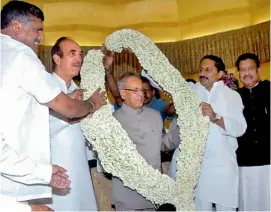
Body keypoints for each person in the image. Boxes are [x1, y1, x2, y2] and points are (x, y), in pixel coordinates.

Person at [0, 1, 106, 209]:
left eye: (80, 54)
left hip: (40, 172)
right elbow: (66, 108)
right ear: (17, 26)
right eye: (37, 30)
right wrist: (90, 104)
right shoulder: (22, 55)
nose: (41, 37)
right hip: (27, 172)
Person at [43, 37, 105, 211]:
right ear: (57, 58)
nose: (79, 58)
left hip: (80, 168)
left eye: (80, 54)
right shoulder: (45, 87)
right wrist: (76, 115)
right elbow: (40, 128)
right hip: (56, 168)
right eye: (72, 53)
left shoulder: (81, 91)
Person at [112, 72, 178, 211]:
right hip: (128, 195)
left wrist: (185, 128)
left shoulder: (154, 115)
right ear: (123, 94)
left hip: (153, 194)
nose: (141, 94)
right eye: (135, 90)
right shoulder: (113, 121)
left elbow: (162, 144)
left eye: (142, 90)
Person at [191, 55, 247, 211]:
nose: (203, 73)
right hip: (198, 166)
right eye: (201, 69)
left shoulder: (231, 96)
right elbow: (167, 84)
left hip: (223, 164)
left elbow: (239, 128)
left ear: (221, 74)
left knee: (225, 207)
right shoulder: (192, 91)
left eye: (208, 70)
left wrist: (215, 117)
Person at [235, 53, 270, 211]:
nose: (246, 73)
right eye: (242, 70)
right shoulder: (234, 97)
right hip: (245, 161)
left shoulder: (269, 89)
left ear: (258, 70)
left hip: (269, 159)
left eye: (250, 68)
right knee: (248, 203)